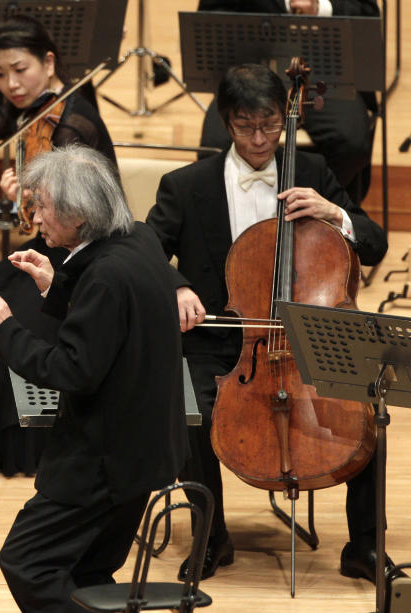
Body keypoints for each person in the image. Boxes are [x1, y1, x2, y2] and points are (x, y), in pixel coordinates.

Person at [146, 63, 390, 582]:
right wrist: (178, 286)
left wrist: (334, 213)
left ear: (286, 119)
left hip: (311, 334)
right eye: (245, 126)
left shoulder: (315, 172)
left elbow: (374, 244)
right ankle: (212, 539)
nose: (259, 139)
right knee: (188, 406)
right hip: (225, 341)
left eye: (271, 125)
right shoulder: (186, 186)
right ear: (225, 122)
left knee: (368, 408)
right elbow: (143, 250)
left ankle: (365, 545)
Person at [0, 144, 188, 612]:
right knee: (90, 573)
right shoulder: (140, 240)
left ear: (80, 214)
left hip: (102, 460)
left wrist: (6, 328)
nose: (35, 217)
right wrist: (56, 284)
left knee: (27, 563)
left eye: (42, 205)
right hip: (145, 452)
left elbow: (71, 369)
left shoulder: (105, 275)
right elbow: (112, 327)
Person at [0, 15, 116, 476]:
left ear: (49, 61)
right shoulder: (28, 108)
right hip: (47, 244)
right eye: (0, 75)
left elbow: (76, 210)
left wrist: (30, 195)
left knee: (9, 322)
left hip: (83, 254)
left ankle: (29, 447)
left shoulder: (74, 121)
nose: (11, 84)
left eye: (20, 69)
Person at [197, 0, 380, 204]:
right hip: (251, 69)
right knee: (214, 145)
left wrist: (320, 8)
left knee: (350, 140)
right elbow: (211, 12)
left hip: (325, 71)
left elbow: (366, 12)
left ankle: (312, 209)